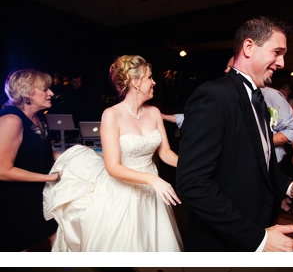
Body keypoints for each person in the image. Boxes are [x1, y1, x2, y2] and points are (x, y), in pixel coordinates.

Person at [176, 17, 293, 252]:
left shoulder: (258, 99)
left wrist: (290, 186)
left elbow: (257, 163)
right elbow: (192, 183)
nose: (282, 63)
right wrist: (257, 239)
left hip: (257, 225)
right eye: (277, 52)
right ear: (249, 47)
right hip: (223, 241)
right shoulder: (214, 95)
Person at [45, 55, 183, 251]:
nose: (154, 82)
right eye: (149, 78)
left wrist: (191, 166)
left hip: (151, 192)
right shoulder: (112, 115)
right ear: (135, 83)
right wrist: (152, 180)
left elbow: (165, 152)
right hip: (121, 193)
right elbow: (113, 167)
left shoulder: (154, 112)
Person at [0, 69, 60, 251]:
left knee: (57, 236)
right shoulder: (11, 120)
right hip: (14, 200)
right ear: (26, 93)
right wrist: (49, 178)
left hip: (37, 195)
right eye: (45, 89)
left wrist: (77, 157)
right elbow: (2, 170)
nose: (51, 93)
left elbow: (42, 152)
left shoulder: (39, 117)